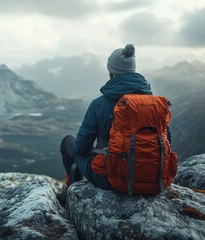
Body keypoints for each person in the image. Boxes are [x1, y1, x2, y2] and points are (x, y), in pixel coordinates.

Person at [56, 43, 171, 205]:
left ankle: (71, 193)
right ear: (133, 71)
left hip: (111, 178)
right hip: (154, 179)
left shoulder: (99, 104)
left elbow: (81, 147)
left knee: (68, 142)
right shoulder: (155, 105)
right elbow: (167, 143)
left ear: (111, 73)